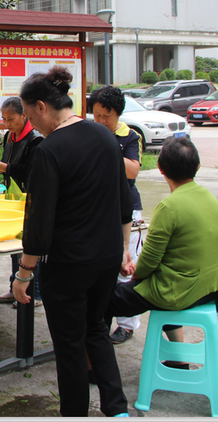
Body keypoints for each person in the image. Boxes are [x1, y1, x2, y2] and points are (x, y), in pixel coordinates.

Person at [12, 66, 132, 417]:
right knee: (96, 330)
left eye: (31, 116)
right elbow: (124, 203)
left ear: (42, 107)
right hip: (107, 257)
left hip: (69, 265)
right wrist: (124, 248)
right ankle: (116, 408)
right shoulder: (105, 136)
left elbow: (39, 220)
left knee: (69, 345)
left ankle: (75, 413)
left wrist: (24, 272)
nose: (33, 124)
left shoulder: (50, 150)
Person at [104, 137, 218, 365]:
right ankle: (177, 359)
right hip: (212, 288)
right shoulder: (210, 198)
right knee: (164, 287)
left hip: (180, 291)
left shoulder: (169, 207)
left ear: (160, 169)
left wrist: (134, 272)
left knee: (104, 300)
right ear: (197, 166)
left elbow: (149, 262)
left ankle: (95, 362)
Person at [89, 86, 143, 345]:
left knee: (125, 265)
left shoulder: (129, 137)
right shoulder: (92, 133)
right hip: (100, 208)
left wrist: (107, 147)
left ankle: (127, 325)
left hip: (126, 209)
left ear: (117, 114)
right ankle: (102, 317)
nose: (100, 121)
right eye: (96, 115)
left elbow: (132, 170)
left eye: (105, 116)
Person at [0, 97, 43, 307]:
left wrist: (2, 167)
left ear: (24, 115)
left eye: (11, 119)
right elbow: (9, 163)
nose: (7, 123)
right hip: (12, 199)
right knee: (15, 246)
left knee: (30, 246)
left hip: (29, 199)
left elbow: (31, 172)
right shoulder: (9, 137)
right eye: (4, 119)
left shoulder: (35, 140)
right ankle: (15, 286)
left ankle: (35, 293)